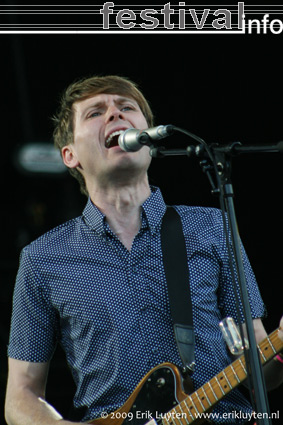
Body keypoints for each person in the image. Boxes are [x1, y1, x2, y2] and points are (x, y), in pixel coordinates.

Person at [5, 75, 283, 425]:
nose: (114, 115)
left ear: (149, 141)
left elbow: (265, 376)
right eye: (95, 113)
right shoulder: (41, 259)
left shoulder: (212, 226)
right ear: (70, 155)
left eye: (127, 108)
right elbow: (21, 395)